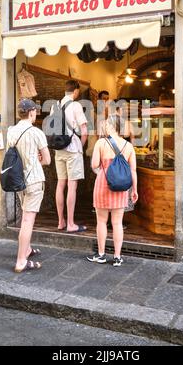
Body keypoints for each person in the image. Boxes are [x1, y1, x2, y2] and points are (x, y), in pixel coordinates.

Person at [87, 115, 138, 267]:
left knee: (101, 221)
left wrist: (102, 168)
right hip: (121, 187)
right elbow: (133, 170)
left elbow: (95, 164)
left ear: (110, 126)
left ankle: (101, 254)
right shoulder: (128, 146)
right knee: (117, 223)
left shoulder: (101, 143)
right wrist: (134, 189)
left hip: (103, 183)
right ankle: (117, 257)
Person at [7, 99, 51, 273]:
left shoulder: (11, 131)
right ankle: (21, 261)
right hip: (33, 180)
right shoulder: (36, 132)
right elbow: (47, 160)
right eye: (35, 112)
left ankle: (26, 249)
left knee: (25, 217)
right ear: (32, 112)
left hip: (19, 181)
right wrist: (37, 159)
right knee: (27, 220)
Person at [54, 80, 88, 233]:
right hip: (73, 149)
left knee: (60, 184)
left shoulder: (55, 106)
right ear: (75, 91)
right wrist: (80, 146)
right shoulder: (76, 105)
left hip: (58, 149)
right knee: (72, 187)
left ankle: (61, 221)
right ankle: (71, 224)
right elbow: (84, 130)